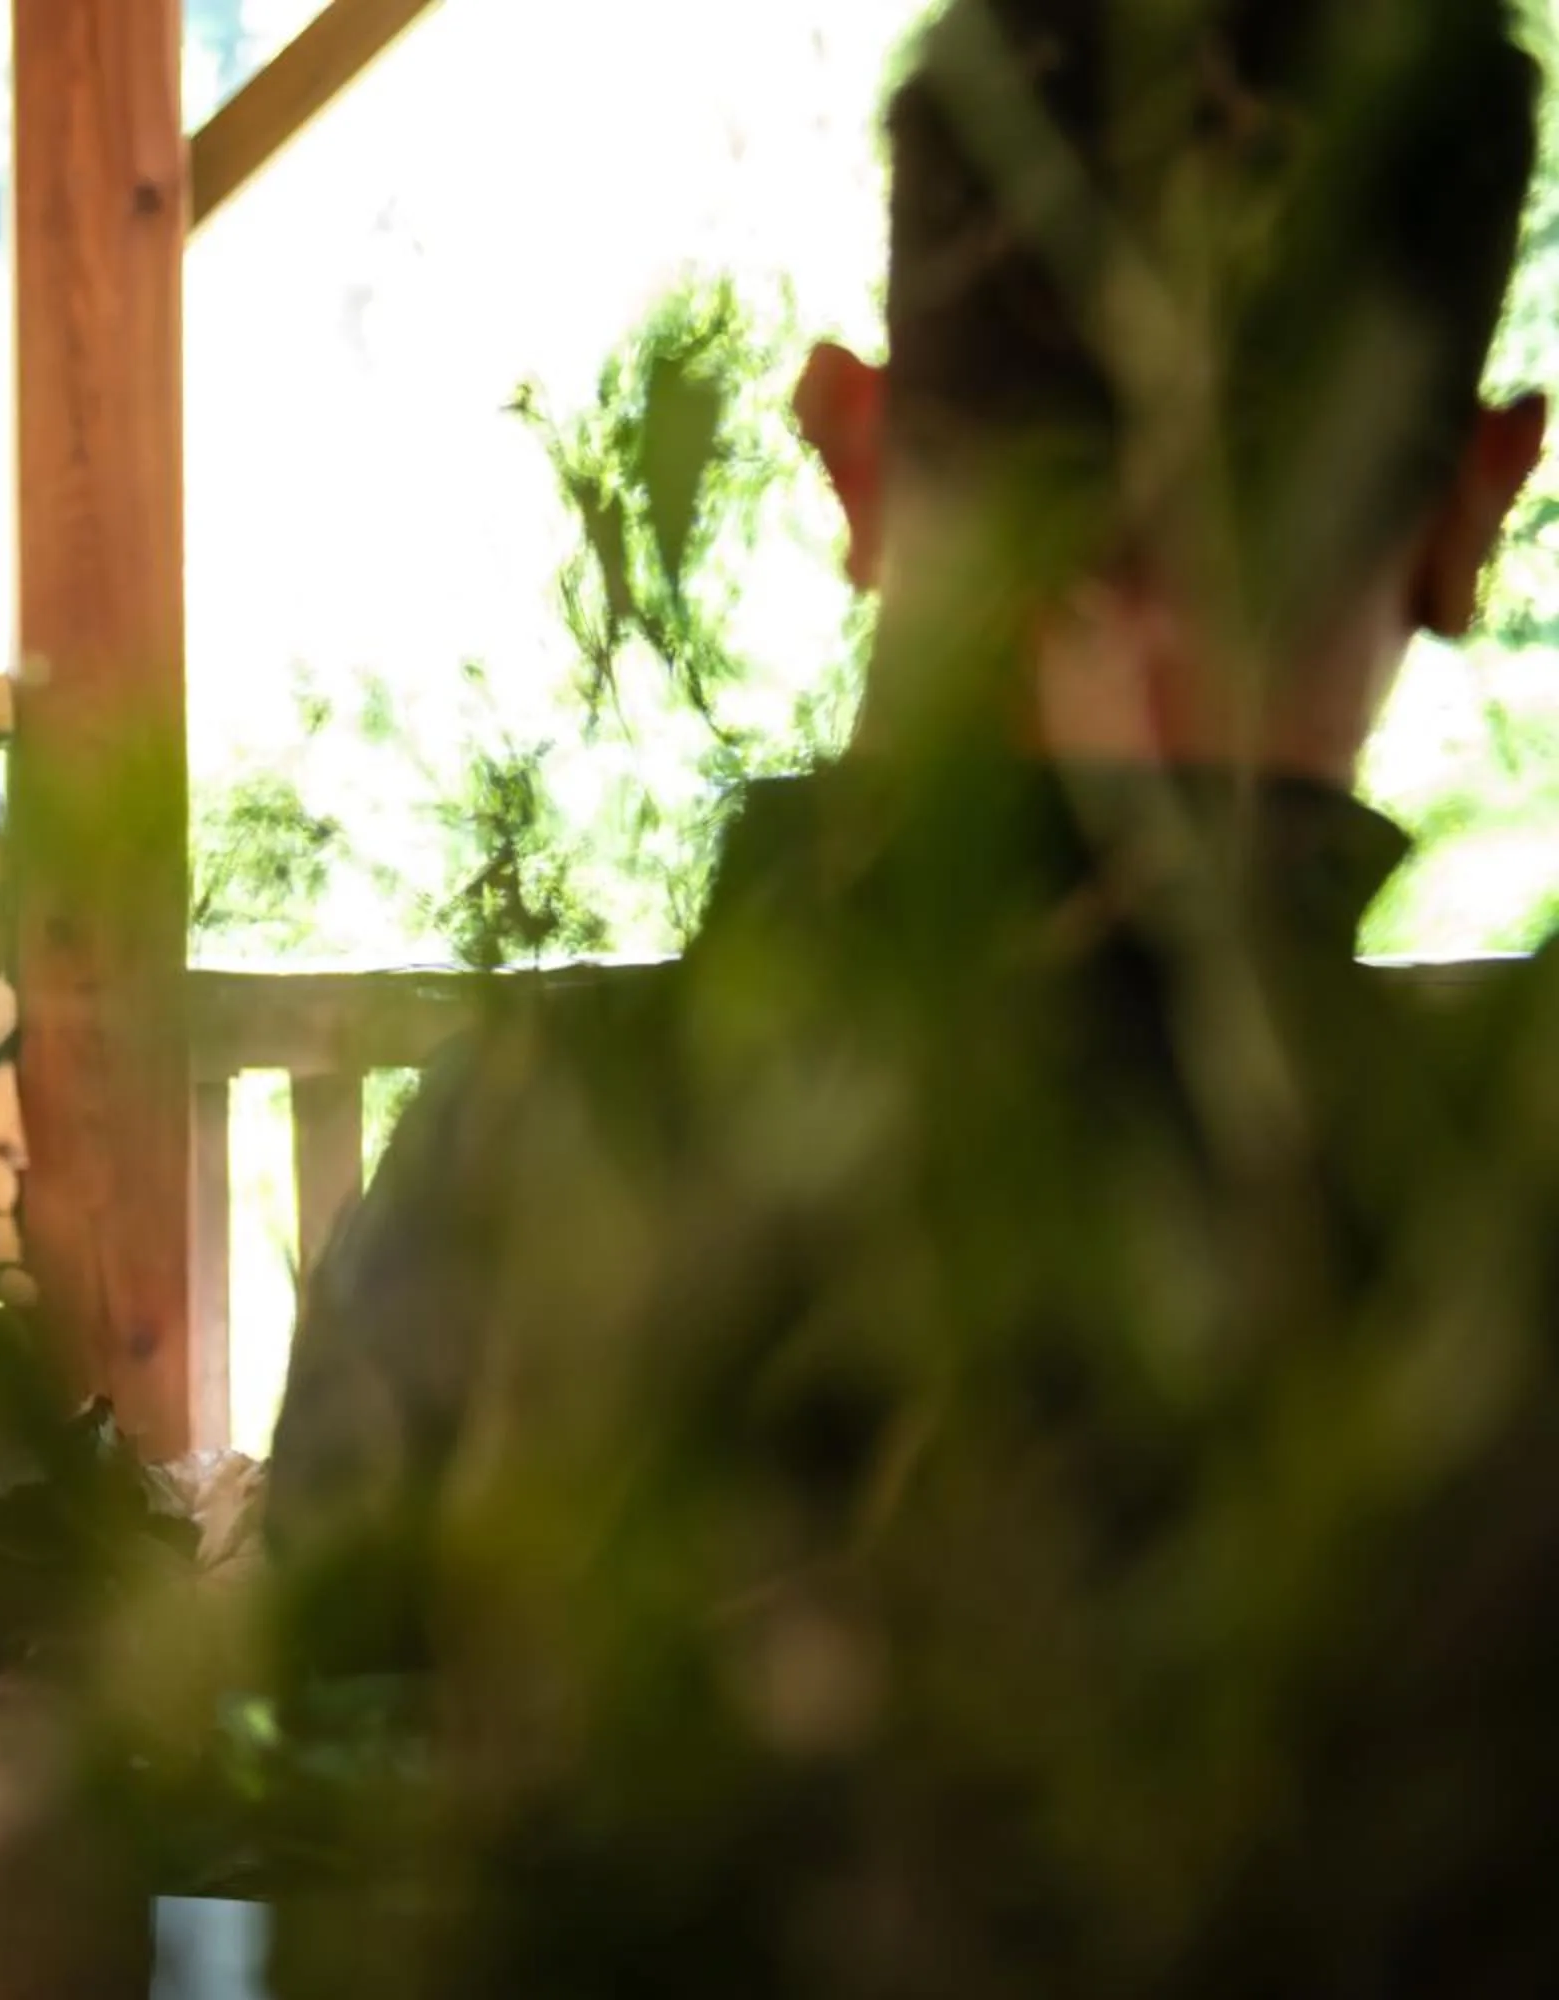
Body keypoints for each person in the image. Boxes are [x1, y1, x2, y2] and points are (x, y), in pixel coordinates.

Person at [265, 0, 1559, 1989]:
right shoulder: (1488, 1248)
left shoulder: (531, 1158)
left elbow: (347, 1875)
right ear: (1478, 506)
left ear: (850, 454)